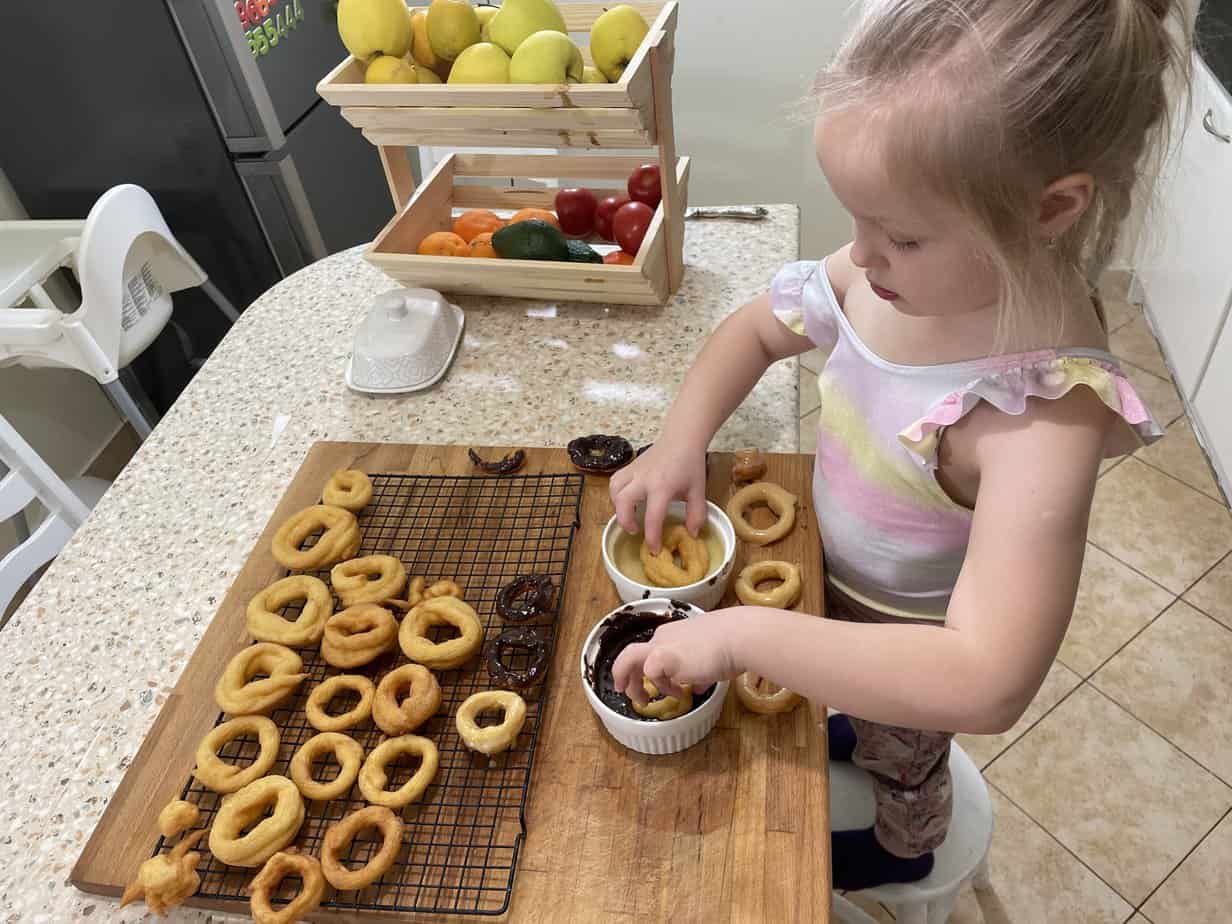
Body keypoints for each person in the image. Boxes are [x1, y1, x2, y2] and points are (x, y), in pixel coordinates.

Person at [610, 0, 1186, 892]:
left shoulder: (1040, 411)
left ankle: (901, 845)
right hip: (830, 577)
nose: (862, 257)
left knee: (901, 753)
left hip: (915, 635)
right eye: (857, 222)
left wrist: (740, 637)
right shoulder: (886, 282)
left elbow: (983, 677)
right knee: (841, 695)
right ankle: (850, 717)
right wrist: (681, 439)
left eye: (902, 235)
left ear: (1049, 210)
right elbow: (754, 334)